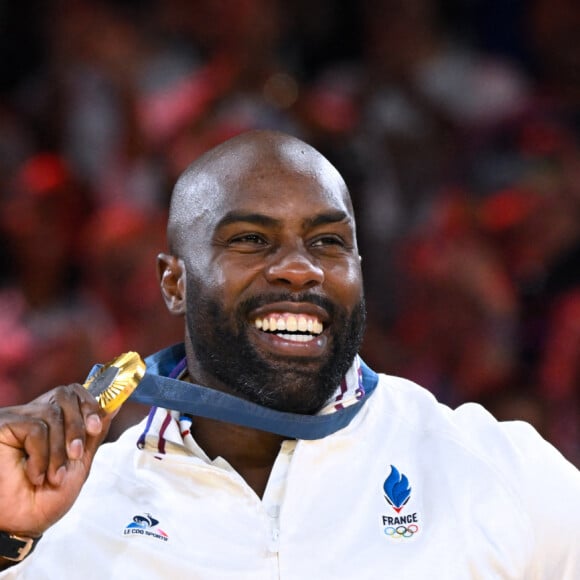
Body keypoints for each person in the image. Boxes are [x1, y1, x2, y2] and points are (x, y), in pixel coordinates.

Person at [0, 130, 578, 579]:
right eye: (251, 239)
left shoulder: (493, 471)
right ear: (174, 283)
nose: (300, 267)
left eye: (328, 242)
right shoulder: (69, 511)